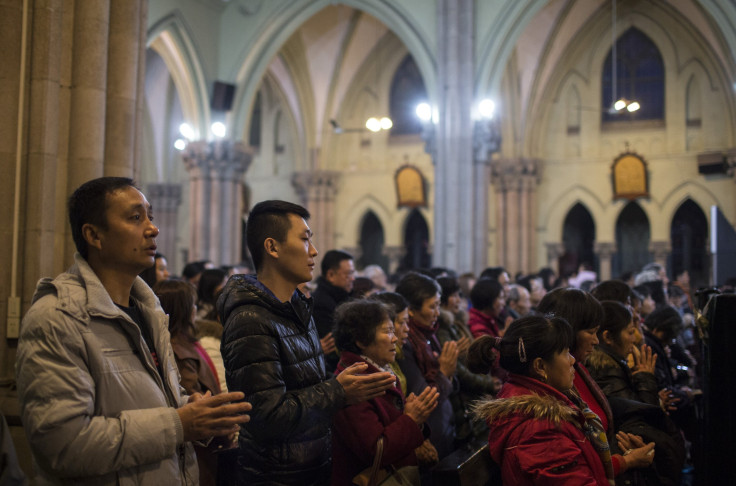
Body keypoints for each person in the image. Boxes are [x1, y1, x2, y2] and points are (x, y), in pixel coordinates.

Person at [15, 177, 251, 485]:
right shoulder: (57, 319)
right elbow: (63, 446)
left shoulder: (149, 311)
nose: (153, 228)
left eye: (150, 216)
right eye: (135, 217)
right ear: (94, 235)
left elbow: (151, 402)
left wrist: (197, 415)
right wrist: (179, 424)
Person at [217, 200, 396, 485]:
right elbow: (266, 415)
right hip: (275, 476)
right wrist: (338, 390)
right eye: (304, 239)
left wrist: (348, 389)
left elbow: (307, 386)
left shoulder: (297, 307)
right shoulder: (250, 319)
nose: (313, 251)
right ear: (272, 247)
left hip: (310, 468)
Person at [470, 316, 655, 486]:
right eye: (566, 352)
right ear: (540, 366)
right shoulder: (541, 431)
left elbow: (580, 469)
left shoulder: (532, 401)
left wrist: (626, 461)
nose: (573, 360)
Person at [330, 300, 439, 485]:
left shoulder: (378, 370)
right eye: (388, 331)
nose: (395, 338)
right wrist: (411, 419)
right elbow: (376, 451)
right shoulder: (354, 383)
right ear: (361, 340)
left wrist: (414, 417)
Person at [154, 279, 231, 486]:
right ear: (184, 310)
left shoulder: (189, 343)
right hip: (199, 448)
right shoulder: (177, 350)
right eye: (193, 304)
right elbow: (191, 395)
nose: (196, 309)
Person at [395, 272, 461, 460]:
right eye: (432, 307)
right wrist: (444, 373)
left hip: (446, 424)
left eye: (439, 306)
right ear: (412, 310)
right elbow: (423, 396)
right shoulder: (405, 343)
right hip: (429, 434)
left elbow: (452, 383)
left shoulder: (429, 334)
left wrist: (448, 374)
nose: (438, 314)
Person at [312, 249, 356, 372]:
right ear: (331, 275)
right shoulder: (322, 303)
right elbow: (334, 346)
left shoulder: (343, 298)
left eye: (353, 274)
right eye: (348, 274)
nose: (353, 279)